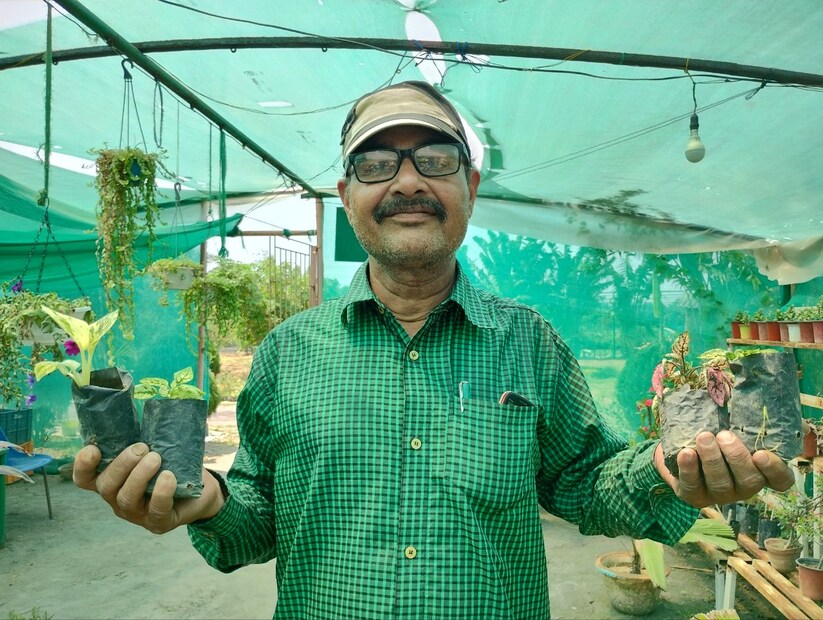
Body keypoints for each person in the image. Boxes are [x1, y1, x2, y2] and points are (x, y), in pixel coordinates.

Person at [74, 80, 794, 619]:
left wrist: (669, 474)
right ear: (347, 196)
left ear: (470, 188)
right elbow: (259, 515)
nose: (408, 181)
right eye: (377, 163)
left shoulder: (528, 342)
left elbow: (583, 482)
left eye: (436, 159)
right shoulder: (287, 352)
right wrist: (204, 501)